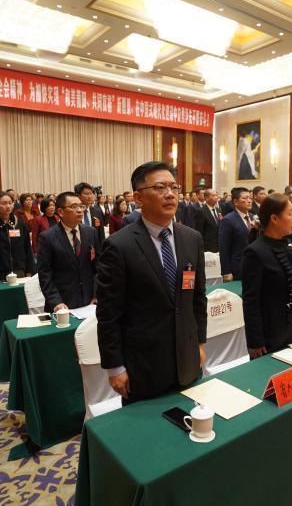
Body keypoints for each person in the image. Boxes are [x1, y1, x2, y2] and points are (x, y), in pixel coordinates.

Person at [96, 161, 207, 405]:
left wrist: (199, 343)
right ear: (138, 198)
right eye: (159, 187)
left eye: (174, 187)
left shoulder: (192, 238)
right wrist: (115, 367)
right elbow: (108, 314)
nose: (170, 194)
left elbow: (198, 298)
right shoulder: (119, 245)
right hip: (143, 366)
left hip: (187, 360)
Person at [241, 194, 292, 357]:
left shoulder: (288, 245)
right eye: (290, 213)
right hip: (271, 336)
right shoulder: (255, 252)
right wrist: (255, 341)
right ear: (274, 219)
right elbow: (251, 301)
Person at [37, 192, 100, 313]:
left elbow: (98, 267)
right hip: (62, 304)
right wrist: (56, 302)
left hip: (89, 302)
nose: (80, 210)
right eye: (74, 207)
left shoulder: (91, 232)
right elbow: (45, 274)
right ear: (61, 212)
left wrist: (96, 294)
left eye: (81, 206)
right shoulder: (47, 237)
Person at [218, 187, 254, 281]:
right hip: (238, 267)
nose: (249, 201)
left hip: (254, 265)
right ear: (236, 201)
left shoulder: (253, 217)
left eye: (250, 198)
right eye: (245, 198)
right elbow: (224, 248)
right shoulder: (228, 220)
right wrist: (226, 272)